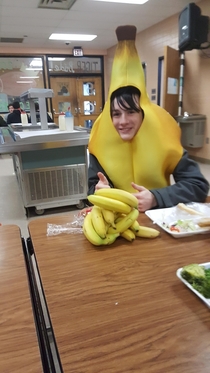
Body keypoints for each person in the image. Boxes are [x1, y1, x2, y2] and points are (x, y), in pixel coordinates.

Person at [88, 25, 209, 212]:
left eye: (131, 112)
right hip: (117, 222)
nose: (123, 121)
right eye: (116, 114)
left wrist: (156, 197)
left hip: (161, 222)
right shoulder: (100, 143)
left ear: (143, 113)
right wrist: (99, 191)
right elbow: (91, 189)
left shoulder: (164, 139)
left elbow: (198, 186)